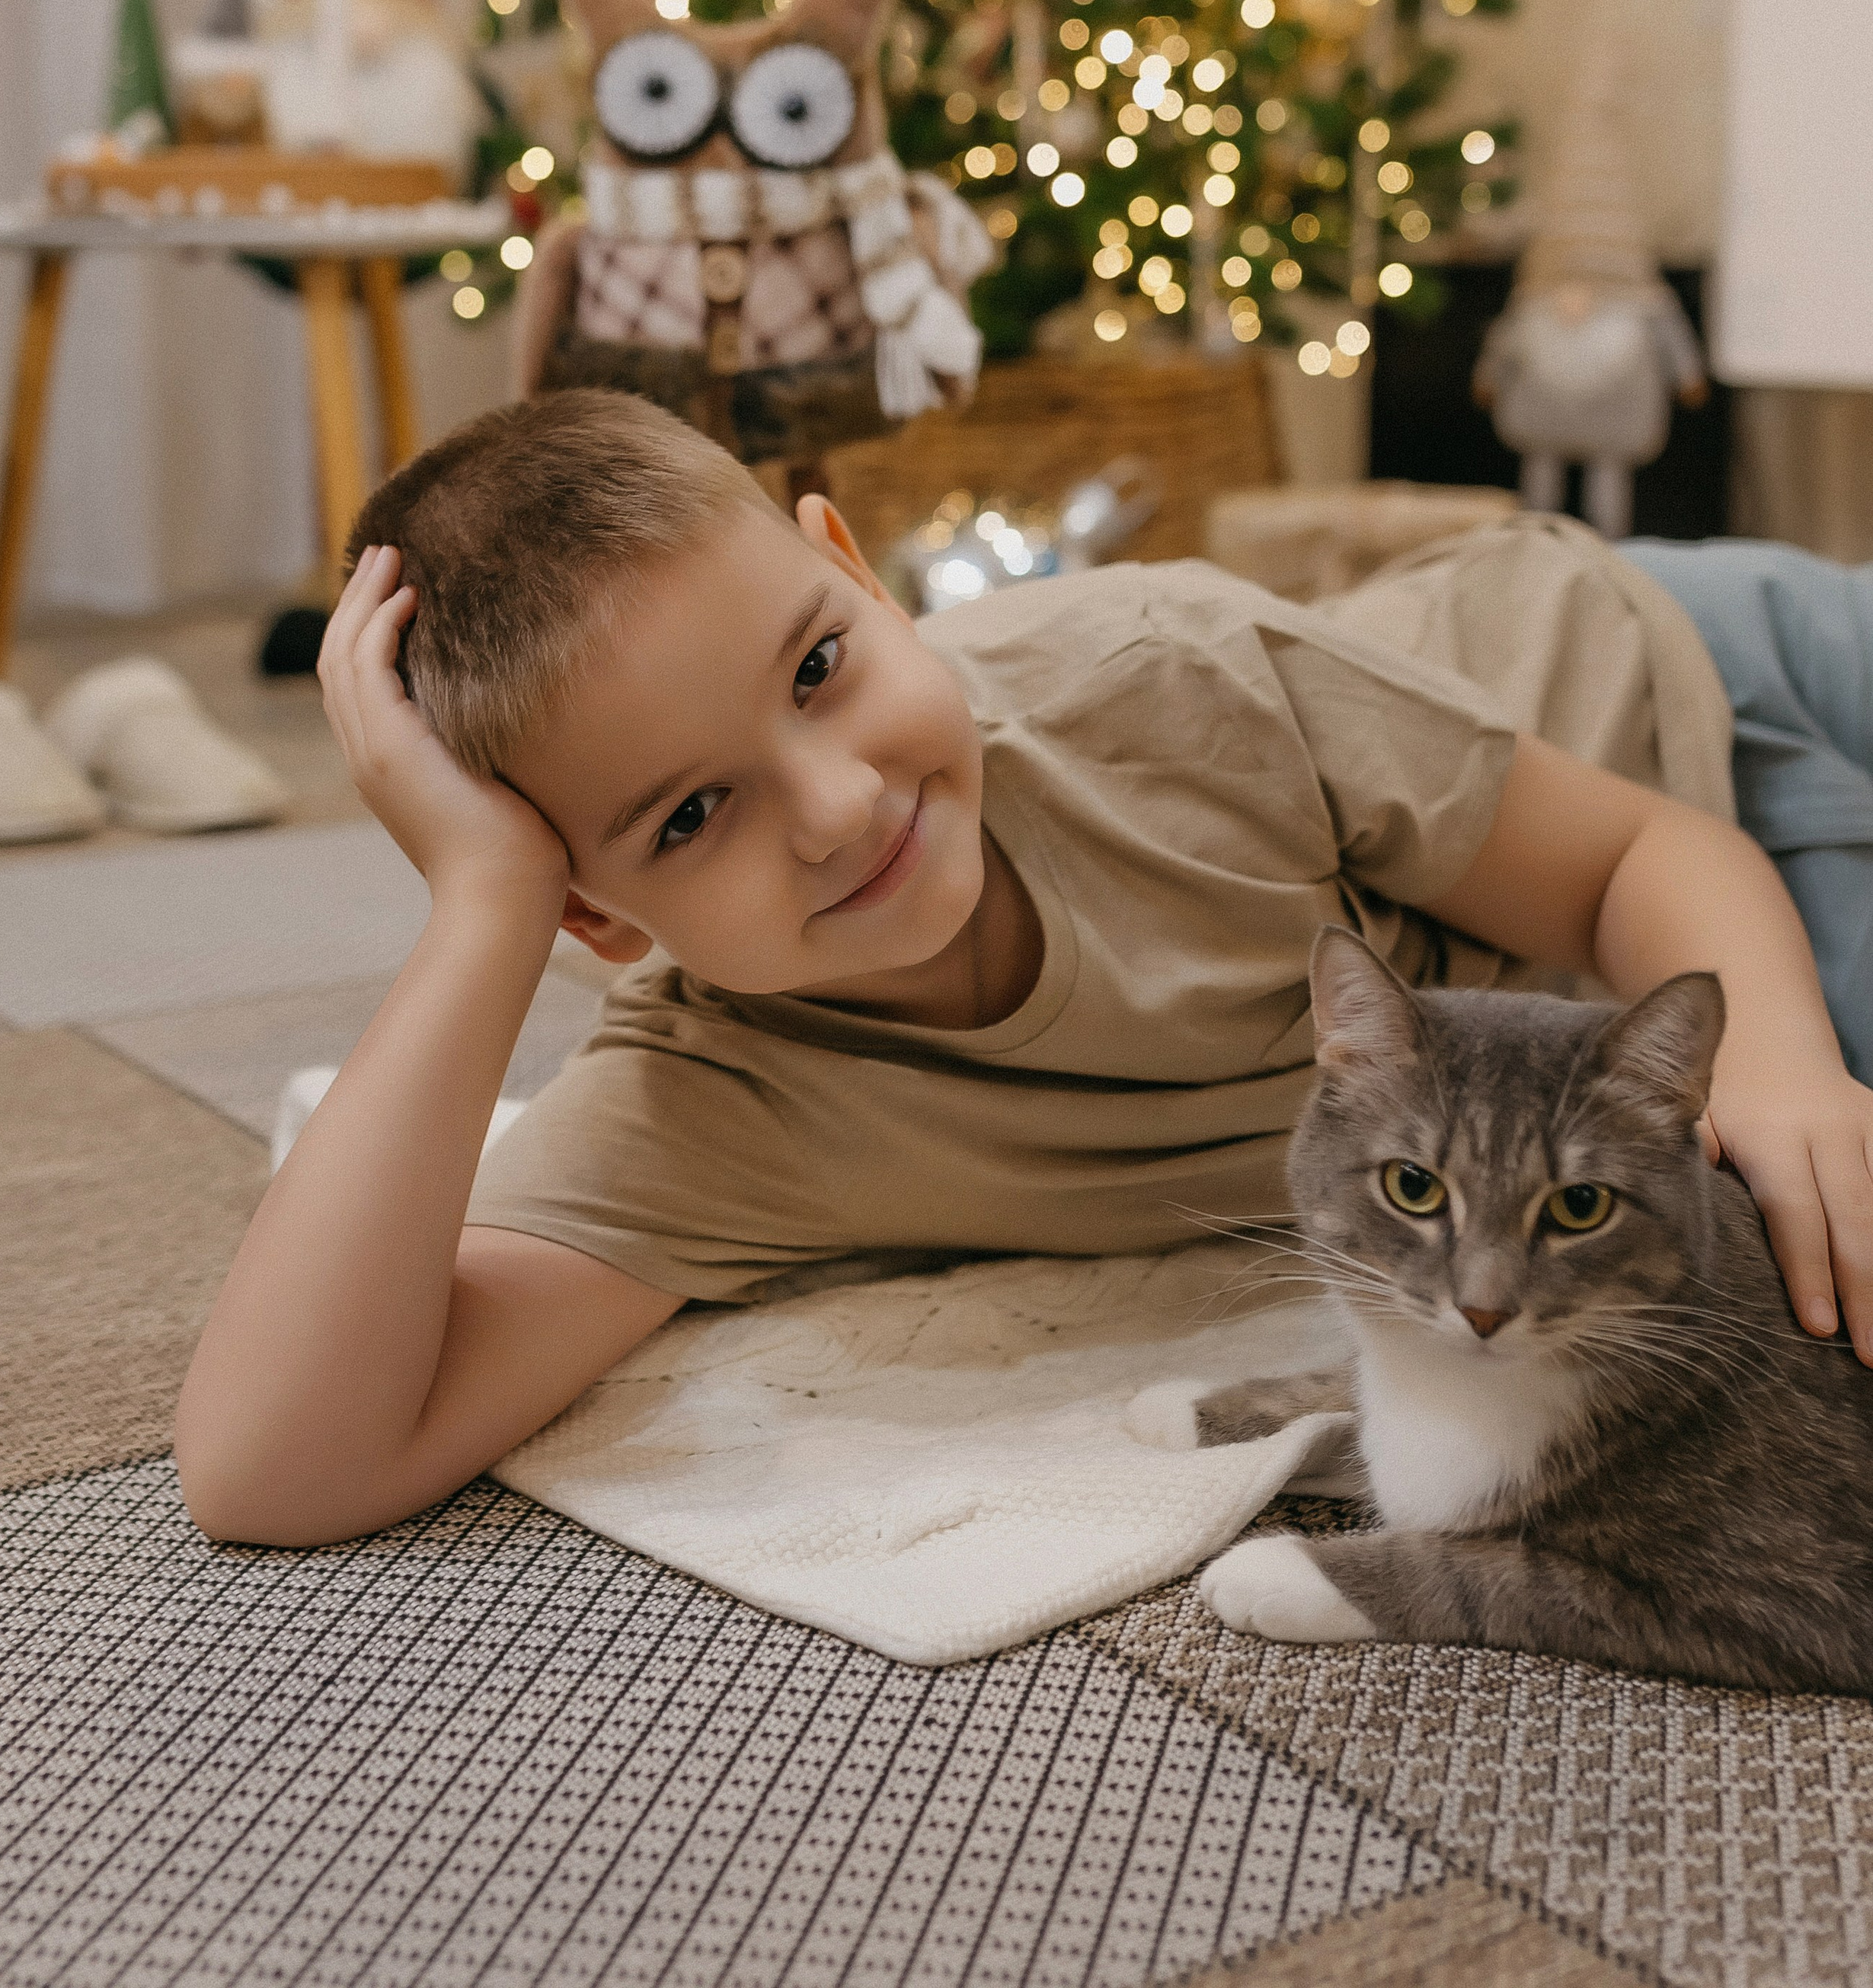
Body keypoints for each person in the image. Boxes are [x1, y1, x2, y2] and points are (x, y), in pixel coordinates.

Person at [175, 392, 1873, 1547]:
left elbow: (1641, 857)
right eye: (692, 814)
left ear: (854, 570)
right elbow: (275, 1463)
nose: (837, 807)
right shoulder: (709, 1102)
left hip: (1671, 665)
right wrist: (477, 909)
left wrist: (1782, 1070)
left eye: (821, 665)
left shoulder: (1159, 672)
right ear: (595, 913)